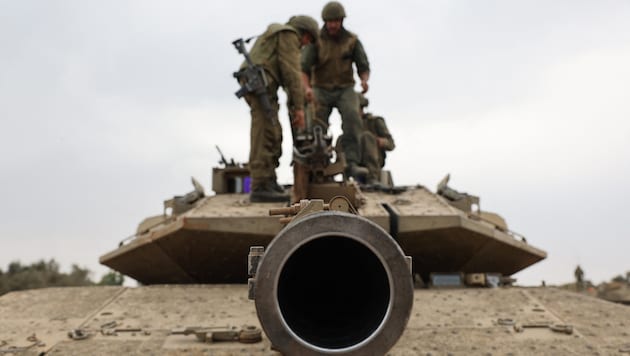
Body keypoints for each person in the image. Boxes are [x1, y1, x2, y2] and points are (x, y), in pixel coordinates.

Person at [237, 15, 319, 202]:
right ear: (305, 33)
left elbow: (284, 74)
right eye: (308, 40)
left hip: (261, 85)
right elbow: (291, 73)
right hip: (259, 86)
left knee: (272, 131)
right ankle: (260, 185)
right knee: (265, 132)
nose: (305, 45)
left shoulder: (278, 33)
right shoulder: (289, 35)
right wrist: (298, 108)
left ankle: (268, 181)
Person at [301, 1, 370, 179]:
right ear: (325, 21)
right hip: (320, 88)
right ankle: (318, 164)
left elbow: (363, 65)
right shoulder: (316, 41)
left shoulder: (352, 40)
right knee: (316, 123)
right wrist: (307, 88)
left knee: (353, 118)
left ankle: (352, 163)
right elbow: (304, 68)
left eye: (336, 21)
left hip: (345, 88)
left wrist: (364, 81)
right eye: (329, 21)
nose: (333, 25)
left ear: (341, 21)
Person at [357, 93, 395, 184]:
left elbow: (391, 144)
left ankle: (372, 177)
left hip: (374, 162)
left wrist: (379, 141)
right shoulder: (349, 125)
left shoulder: (374, 121)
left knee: (367, 136)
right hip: (355, 162)